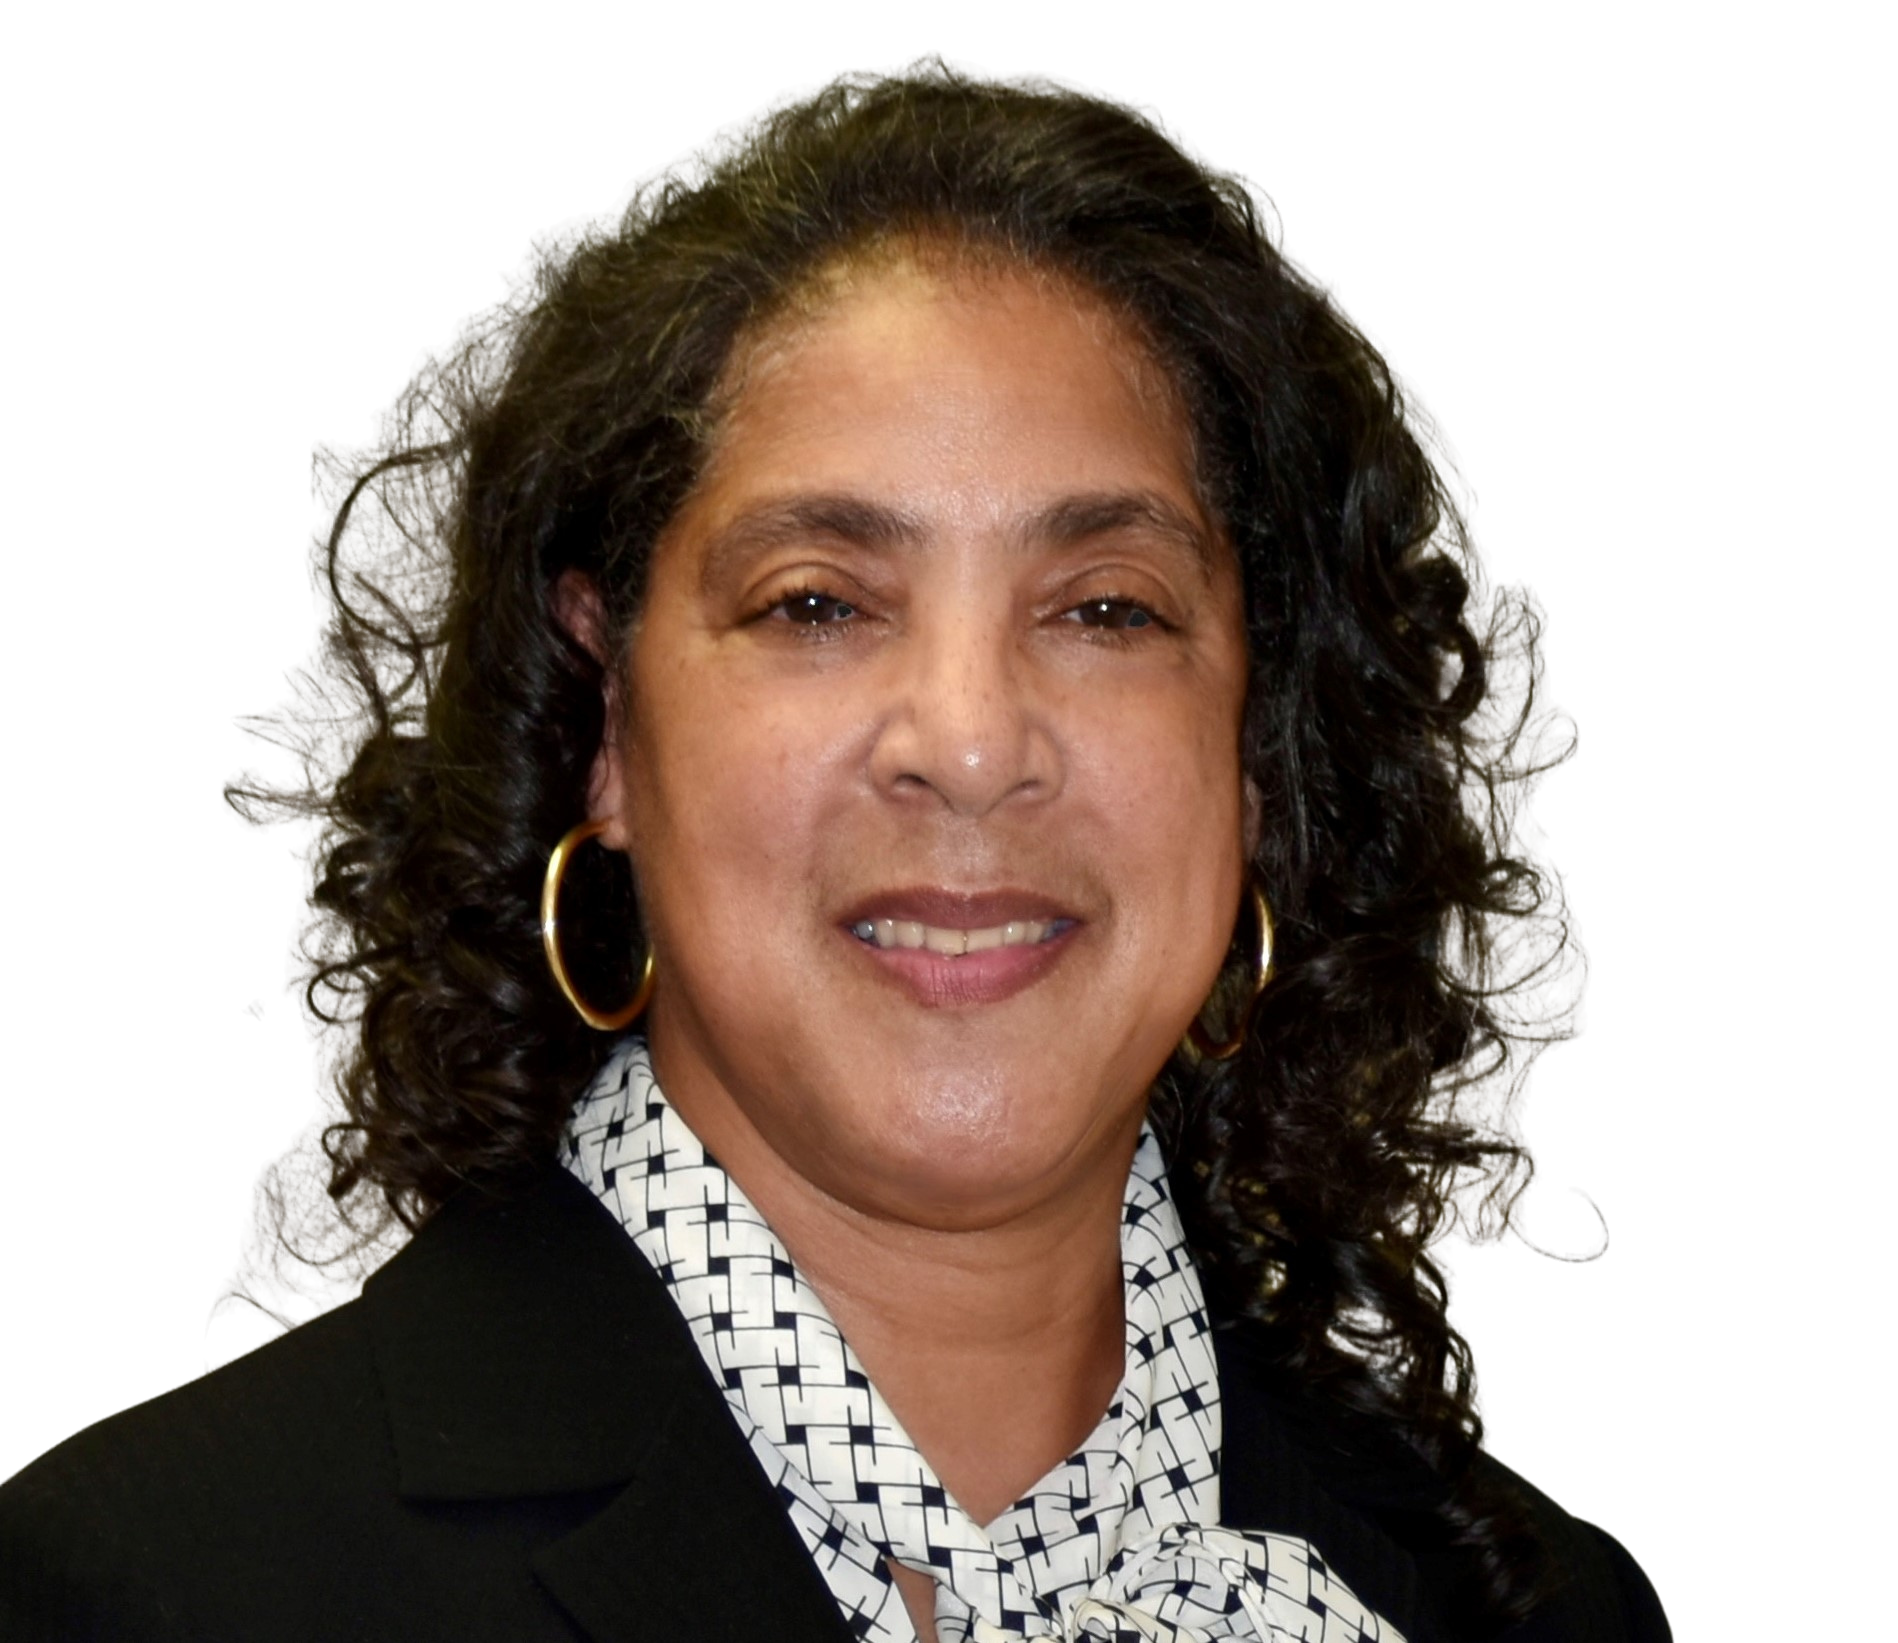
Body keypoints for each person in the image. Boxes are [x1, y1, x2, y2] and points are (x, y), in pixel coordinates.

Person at [1, 54, 1669, 1643]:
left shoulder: (1519, 1607)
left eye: (1104, 608)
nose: (966, 741)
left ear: (1258, 752)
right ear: (602, 729)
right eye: (816, 603)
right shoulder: (161, 1585)